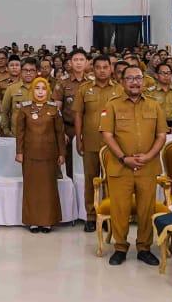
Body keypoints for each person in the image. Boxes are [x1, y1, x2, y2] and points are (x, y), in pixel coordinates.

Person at [99, 65, 166, 266]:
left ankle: (144, 248)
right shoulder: (112, 105)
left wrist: (149, 156)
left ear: (144, 81)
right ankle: (120, 247)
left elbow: (161, 135)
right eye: (130, 78)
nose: (135, 82)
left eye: (138, 78)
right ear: (122, 81)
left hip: (148, 167)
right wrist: (123, 158)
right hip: (120, 167)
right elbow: (107, 135)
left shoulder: (154, 105)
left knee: (146, 210)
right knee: (120, 210)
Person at [73, 56, 123, 232]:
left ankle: (108, 214)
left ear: (111, 69)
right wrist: (78, 138)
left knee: (111, 180)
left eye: (105, 67)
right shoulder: (84, 89)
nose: (102, 70)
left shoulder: (119, 89)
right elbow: (78, 115)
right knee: (91, 180)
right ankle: (91, 216)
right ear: (93, 69)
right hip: (91, 141)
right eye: (98, 67)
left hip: (113, 145)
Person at [14, 77, 64, 233]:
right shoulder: (25, 109)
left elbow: (60, 133)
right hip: (30, 155)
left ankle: (48, 221)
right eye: (37, 88)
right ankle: (33, 221)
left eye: (43, 88)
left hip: (49, 155)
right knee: (32, 189)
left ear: (48, 91)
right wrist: (19, 152)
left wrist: (62, 153)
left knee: (48, 189)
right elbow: (20, 132)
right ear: (32, 90)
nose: (40, 92)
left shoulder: (54, 109)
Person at [52, 48, 89, 177]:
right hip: (69, 129)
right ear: (70, 63)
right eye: (75, 60)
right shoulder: (62, 82)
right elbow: (57, 110)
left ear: (86, 62)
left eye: (81, 60)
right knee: (70, 168)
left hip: (89, 129)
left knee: (90, 167)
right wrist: (61, 131)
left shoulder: (92, 82)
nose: (78, 63)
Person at [0, 57, 39, 136]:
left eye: (32, 70)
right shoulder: (11, 89)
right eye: (25, 70)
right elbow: (4, 112)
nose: (28, 73)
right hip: (16, 135)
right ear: (21, 71)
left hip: (37, 135)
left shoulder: (43, 89)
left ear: (36, 72)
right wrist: (7, 131)